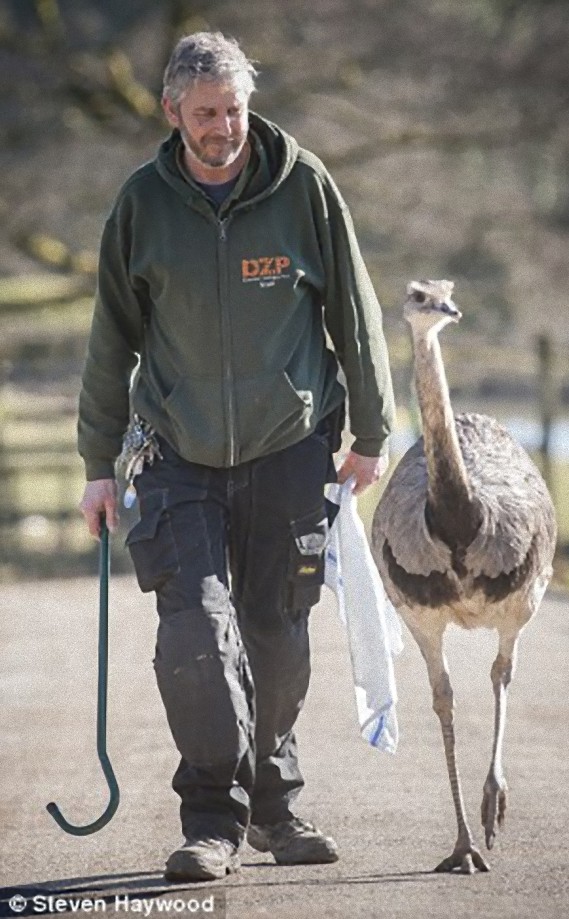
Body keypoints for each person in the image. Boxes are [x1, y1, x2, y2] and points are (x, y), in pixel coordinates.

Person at [78, 31, 395, 883]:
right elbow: (111, 340)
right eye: (207, 111)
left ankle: (277, 804)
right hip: (175, 452)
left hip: (289, 446)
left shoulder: (305, 188)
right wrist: (97, 462)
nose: (225, 127)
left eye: (236, 108)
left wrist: (370, 430)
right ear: (173, 110)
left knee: (278, 639)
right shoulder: (142, 204)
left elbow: (357, 316)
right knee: (196, 632)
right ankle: (212, 818)